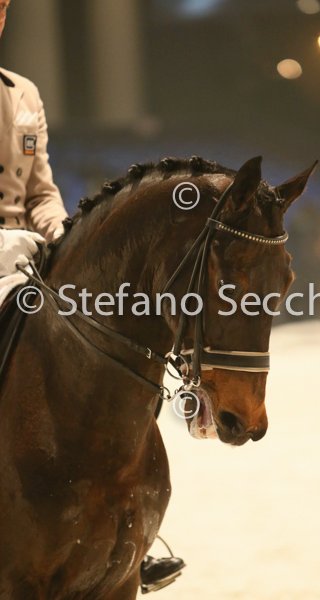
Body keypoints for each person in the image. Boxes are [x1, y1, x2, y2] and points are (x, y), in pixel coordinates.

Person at [0, 1, 184, 592]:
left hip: (28, 250)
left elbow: (40, 190)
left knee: (106, 345)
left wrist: (64, 232)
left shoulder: (23, 92)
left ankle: (122, 523)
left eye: (2, 6)